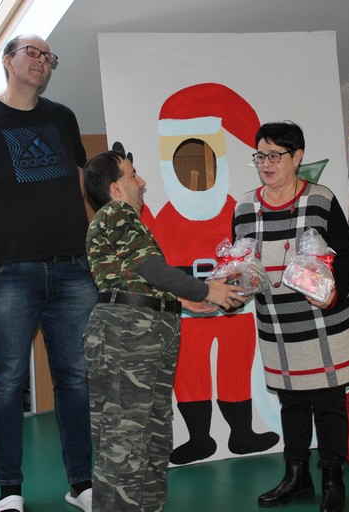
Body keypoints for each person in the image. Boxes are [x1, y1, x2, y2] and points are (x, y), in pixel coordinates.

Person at [0, 34, 96, 512]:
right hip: (8, 277)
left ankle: (82, 484)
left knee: (76, 378)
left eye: (48, 56)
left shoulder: (64, 117)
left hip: (73, 272)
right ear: (7, 61)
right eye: (32, 53)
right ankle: (9, 491)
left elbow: (78, 192)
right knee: (8, 380)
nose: (42, 61)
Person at [83, 142, 246, 511]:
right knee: (124, 442)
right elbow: (152, 270)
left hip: (141, 335)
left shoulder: (123, 221)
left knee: (153, 438)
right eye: (133, 175)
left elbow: (136, 280)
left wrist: (179, 301)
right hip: (127, 337)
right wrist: (209, 290)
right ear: (116, 189)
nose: (142, 182)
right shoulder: (117, 214)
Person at [232, 121, 349, 512]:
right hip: (278, 327)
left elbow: (347, 257)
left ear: (298, 157)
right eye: (260, 156)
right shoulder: (244, 207)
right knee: (291, 403)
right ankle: (296, 477)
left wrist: (333, 295)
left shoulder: (321, 200)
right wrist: (233, 286)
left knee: (329, 403)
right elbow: (241, 264)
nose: (266, 164)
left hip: (326, 325)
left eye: (275, 155)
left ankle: (333, 479)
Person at [145, 83, 279, 465]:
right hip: (188, 308)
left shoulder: (236, 208)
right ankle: (199, 438)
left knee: (236, 363)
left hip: (234, 305)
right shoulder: (165, 217)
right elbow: (153, 260)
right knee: (189, 369)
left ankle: (241, 433)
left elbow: (250, 252)